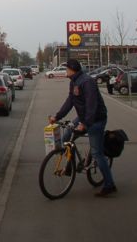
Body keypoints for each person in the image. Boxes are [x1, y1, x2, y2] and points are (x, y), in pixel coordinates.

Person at [48, 59, 117, 197]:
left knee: (97, 153)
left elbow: (92, 105)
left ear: (73, 69)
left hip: (96, 118)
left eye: (66, 68)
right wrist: (57, 117)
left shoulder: (88, 82)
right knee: (68, 132)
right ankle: (70, 166)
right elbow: (70, 101)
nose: (65, 71)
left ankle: (110, 185)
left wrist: (85, 124)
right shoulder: (73, 81)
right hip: (83, 116)